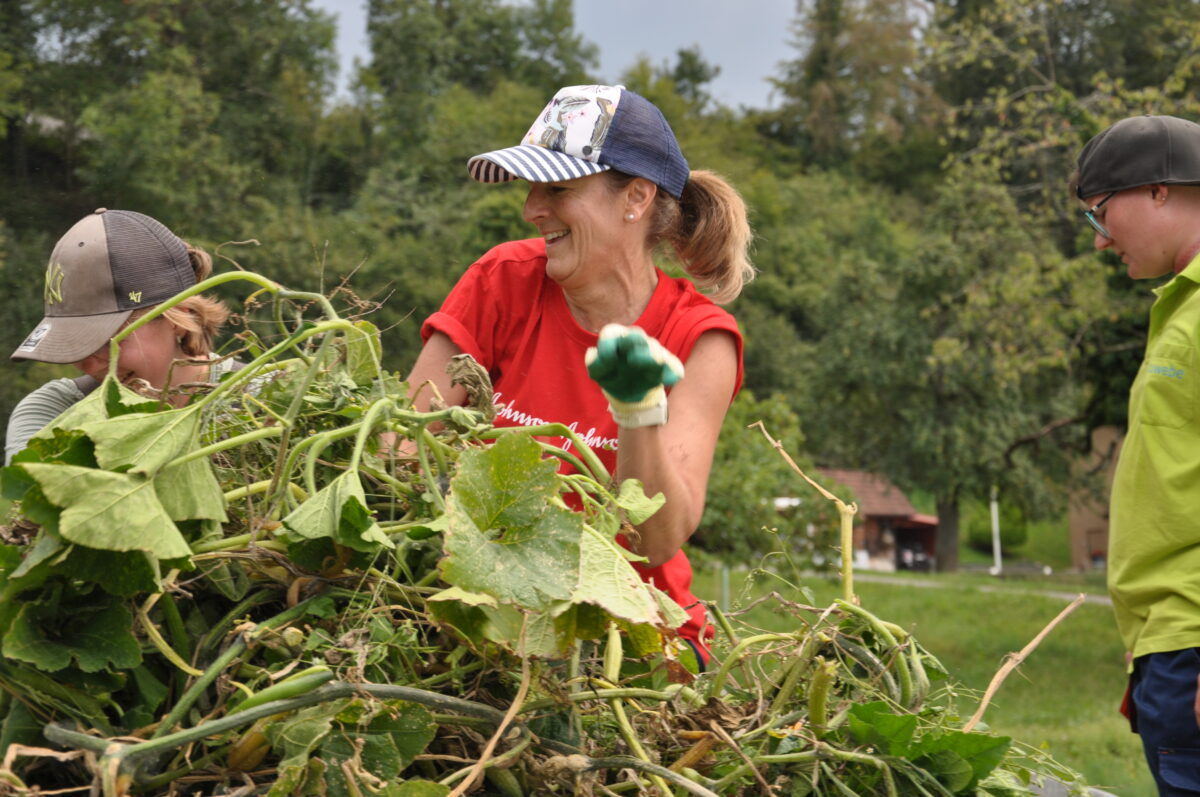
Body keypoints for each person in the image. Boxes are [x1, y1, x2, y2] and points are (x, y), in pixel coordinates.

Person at [406, 84, 754, 666]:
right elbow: (401, 444)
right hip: (490, 603)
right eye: (532, 188)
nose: (532, 209)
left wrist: (639, 410)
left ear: (636, 197)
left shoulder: (700, 338)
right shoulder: (503, 280)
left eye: (559, 189)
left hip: (633, 638)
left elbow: (658, 539)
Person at [1074, 114, 1200, 795]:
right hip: (1165, 648)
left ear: (1158, 192)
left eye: (1100, 213)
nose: (1099, 242)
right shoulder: (1180, 309)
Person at [6, 208, 231, 464]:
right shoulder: (54, 413)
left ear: (180, 318)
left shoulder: (265, 402)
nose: (88, 364)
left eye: (105, 341)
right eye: (74, 343)